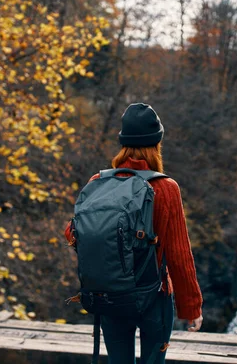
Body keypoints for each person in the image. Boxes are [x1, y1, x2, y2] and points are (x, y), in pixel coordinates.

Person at [64, 102, 203, 364]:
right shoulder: (165, 187)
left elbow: (73, 233)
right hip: (154, 298)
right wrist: (191, 307)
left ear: (123, 142)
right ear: (156, 143)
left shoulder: (98, 182)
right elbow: (178, 255)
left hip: (110, 297)